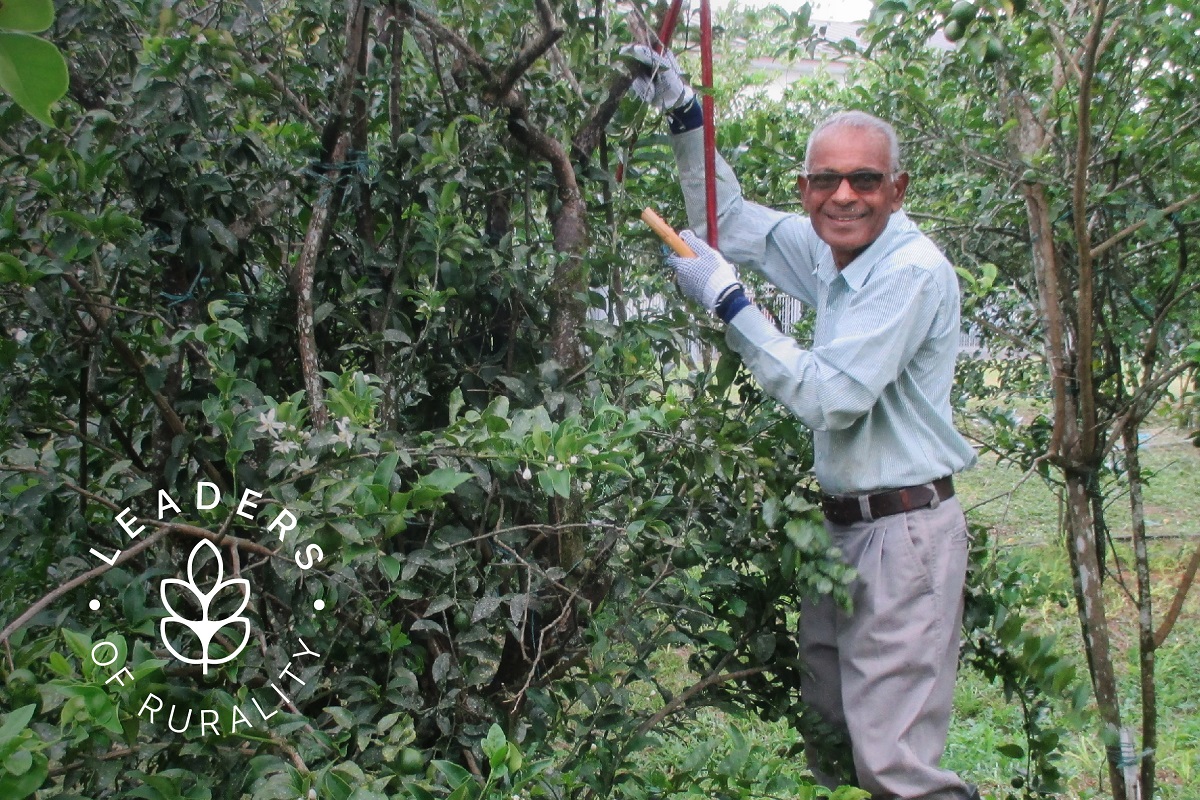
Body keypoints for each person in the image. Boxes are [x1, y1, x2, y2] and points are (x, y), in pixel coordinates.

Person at [624, 45, 980, 800]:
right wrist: (686, 115)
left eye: (864, 180)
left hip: (905, 535)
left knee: (896, 766)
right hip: (841, 531)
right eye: (826, 179)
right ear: (806, 187)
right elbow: (728, 222)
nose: (843, 195)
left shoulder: (910, 272)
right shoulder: (828, 251)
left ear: (898, 189)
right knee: (835, 735)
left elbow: (830, 398)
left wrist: (732, 306)